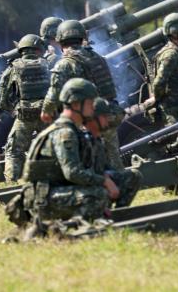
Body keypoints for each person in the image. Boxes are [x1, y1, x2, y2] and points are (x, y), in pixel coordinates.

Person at [16, 78, 118, 230]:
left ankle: (97, 218)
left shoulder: (73, 129)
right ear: (76, 104)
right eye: (90, 103)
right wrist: (103, 181)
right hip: (43, 199)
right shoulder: (65, 133)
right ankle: (75, 227)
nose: (92, 108)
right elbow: (73, 172)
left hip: (56, 191)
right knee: (97, 194)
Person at [41, 20, 124, 169]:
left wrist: (46, 112)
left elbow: (53, 95)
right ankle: (120, 187)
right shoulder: (98, 58)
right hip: (108, 114)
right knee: (113, 159)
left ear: (60, 41)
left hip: (87, 120)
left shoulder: (64, 64)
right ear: (81, 37)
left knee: (89, 164)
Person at [0, 34, 51, 181]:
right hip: (47, 115)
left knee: (13, 150)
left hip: (24, 116)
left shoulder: (14, 67)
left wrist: (14, 110)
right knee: (54, 146)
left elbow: (2, 97)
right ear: (38, 49)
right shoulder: (48, 64)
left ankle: (12, 182)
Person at [85, 97, 141, 209]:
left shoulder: (98, 138)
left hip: (97, 177)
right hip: (84, 183)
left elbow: (104, 164)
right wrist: (104, 180)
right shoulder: (82, 139)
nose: (107, 122)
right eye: (104, 118)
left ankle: (120, 212)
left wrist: (110, 175)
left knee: (134, 176)